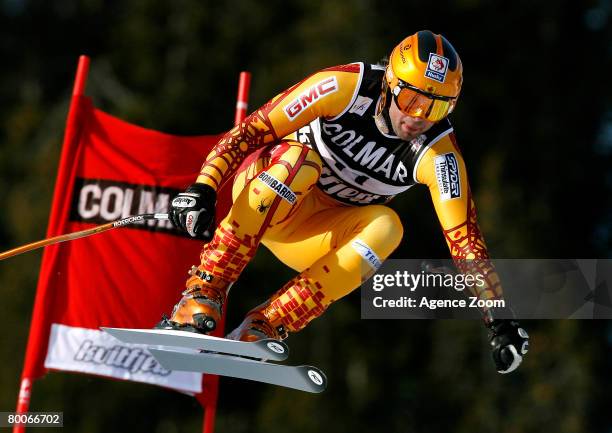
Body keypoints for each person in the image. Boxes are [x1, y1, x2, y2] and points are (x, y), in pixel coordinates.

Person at [159, 30, 529, 374]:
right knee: (301, 164)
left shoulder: (439, 156)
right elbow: (250, 132)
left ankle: (267, 324)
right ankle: (203, 292)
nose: (418, 117)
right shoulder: (343, 87)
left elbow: (464, 241)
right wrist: (204, 187)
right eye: (411, 99)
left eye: (435, 108)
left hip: (314, 236)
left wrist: (499, 318)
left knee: (387, 228)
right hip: (265, 196)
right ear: (389, 83)